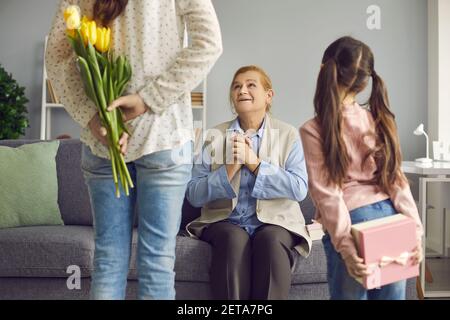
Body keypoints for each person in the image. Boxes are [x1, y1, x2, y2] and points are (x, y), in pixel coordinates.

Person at [46, 0, 222, 300]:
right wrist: (148, 98)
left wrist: (91, 116)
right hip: (163, 135)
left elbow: (57, 56)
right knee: (157, 263)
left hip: (103, 140)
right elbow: (209, 44)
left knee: (108, 260)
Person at [299, 36, 423, 300]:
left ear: (324, 70)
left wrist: (345, 245)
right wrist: (416, 232)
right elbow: (396, 181)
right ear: (365, 82)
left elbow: (329, 195)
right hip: (391, 220)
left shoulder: (312, 130)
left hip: (352, 222)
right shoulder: (379, 120)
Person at [185, 65, 311, 300]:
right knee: (233, 239)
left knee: (271, 240)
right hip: (225, 221)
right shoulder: (214, 136)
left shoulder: (288, 134)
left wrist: (254, 163)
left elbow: (299, 187)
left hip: (276, 224)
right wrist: (230, 168)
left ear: (268, 96)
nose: (242, 90)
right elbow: (193, 192)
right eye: (236, 86)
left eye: (251, 84)